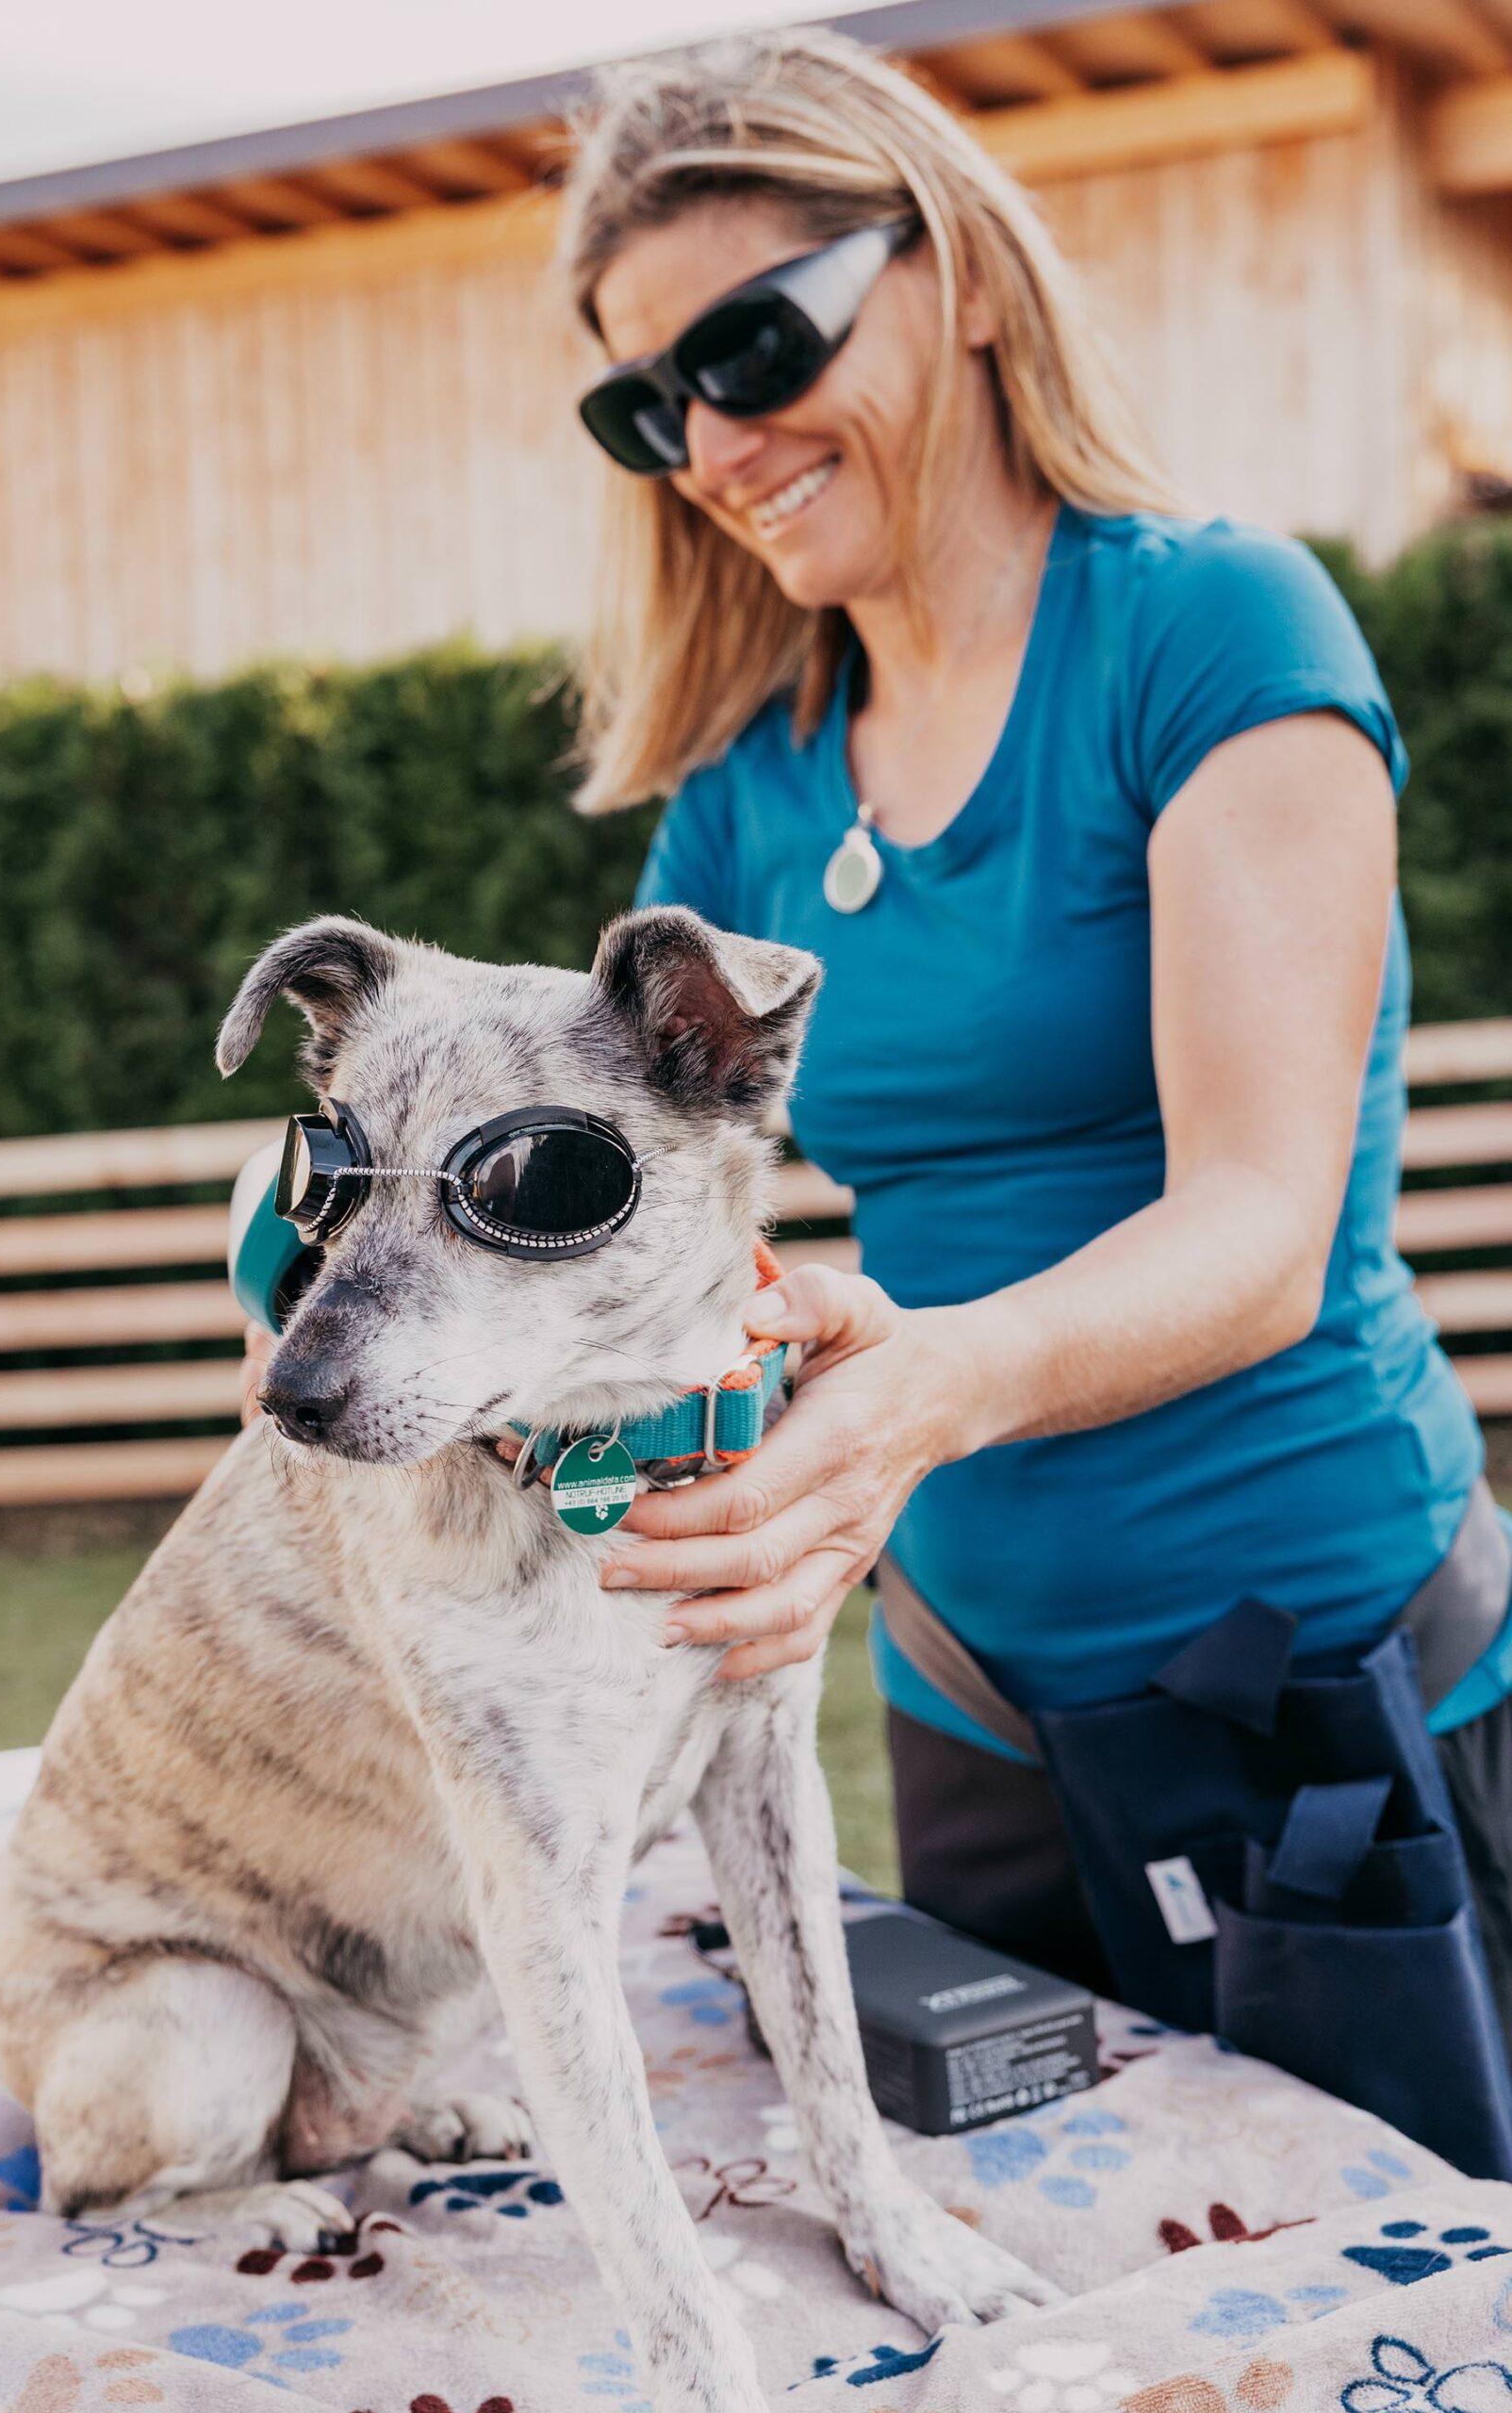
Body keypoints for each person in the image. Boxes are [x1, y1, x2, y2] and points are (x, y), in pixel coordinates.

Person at [549, 23, 1512, 2015]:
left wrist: (906, 1397)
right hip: (969, 1705)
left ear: (961, 277)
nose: (717, 445)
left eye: (751, 348)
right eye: (651, 406)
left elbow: (1256, 1232)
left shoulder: (1209, 632)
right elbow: (632, 1200)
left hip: (1323, 1681)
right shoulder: (746, 784)